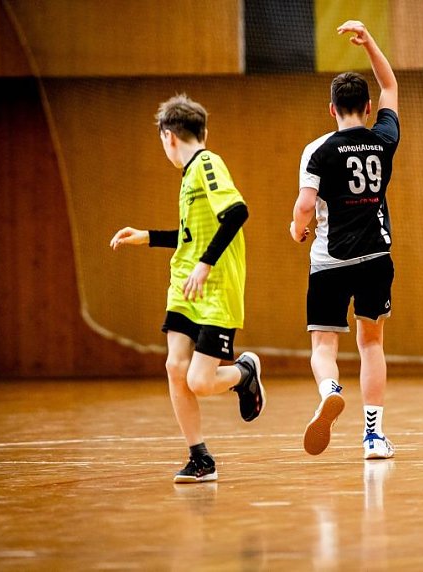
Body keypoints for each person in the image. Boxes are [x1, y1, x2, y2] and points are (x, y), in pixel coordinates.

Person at [110, 94, 265, 482]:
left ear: (168, 136)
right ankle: (200, 460)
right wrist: (144, 236)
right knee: (175, 367)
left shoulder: (207, 163)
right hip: (183, 286)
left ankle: (244, 373)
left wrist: (205, 263)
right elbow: (189, 236)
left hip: (214, 288)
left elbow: (237, 213)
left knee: (200, 380)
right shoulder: (188, 178)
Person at [290, 20, 399, 460]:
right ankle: (373, 436)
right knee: (371, 343)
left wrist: (297, 228)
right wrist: (370, 42)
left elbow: (304, 205)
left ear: (330, 109)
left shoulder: (318, 150)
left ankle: (330, 388)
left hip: (330, 261)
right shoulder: (383, 140)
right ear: (368, 107)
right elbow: (391, 84)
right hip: (376, 255)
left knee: (323, 344)